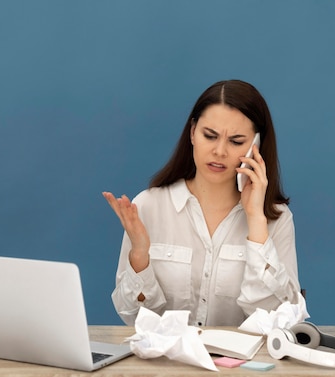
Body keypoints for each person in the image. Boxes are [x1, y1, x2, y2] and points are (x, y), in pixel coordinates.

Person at [103, 79, 302, 327]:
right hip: (165, 365)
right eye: (210, 136)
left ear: (256, 147)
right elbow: (132, 318)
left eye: (236, 141)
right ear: (192, 133)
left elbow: (278, 322)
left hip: (243, 365)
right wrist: (140, 256)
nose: (219, 151)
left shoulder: (277, 218)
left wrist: (256, 223)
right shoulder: (148, 206)